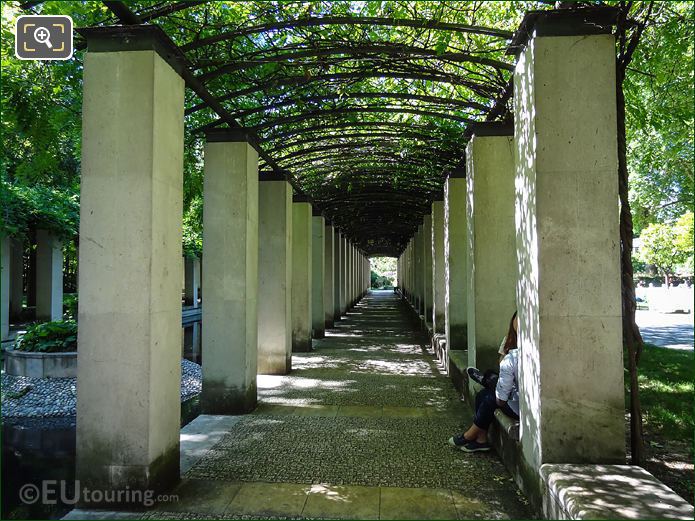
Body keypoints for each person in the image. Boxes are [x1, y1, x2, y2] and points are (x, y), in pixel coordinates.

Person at [448, 312, 520, 453]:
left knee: (490, 397)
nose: (519, 323)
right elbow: (501, 365)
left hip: (517, 402)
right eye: (517, 319)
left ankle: (469, 435)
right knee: (483, 394)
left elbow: (500, 400)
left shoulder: (526, 352)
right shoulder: (509, 342)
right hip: (508, 386)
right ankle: (481, 440)